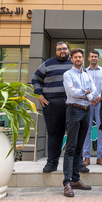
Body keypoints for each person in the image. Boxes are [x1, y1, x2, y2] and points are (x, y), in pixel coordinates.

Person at [62, 48, 98, 197]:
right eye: (75, 57)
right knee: (70, 147)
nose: (78, 59)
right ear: (72, 59)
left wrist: (85, 94)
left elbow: (95, 92)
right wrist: (86, 92)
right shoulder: (67, 74)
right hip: (73, 111)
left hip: (86, 111)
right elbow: (72, 92)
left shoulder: (87, 75)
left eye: (80, 57)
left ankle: (76, 179)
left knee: (79, 147)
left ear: (83, 59)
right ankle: (67, 183)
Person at [32, 41, 73, 174]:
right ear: (56, 51)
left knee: (74, 135)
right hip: (51, 104)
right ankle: (51, 163)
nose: (62, 51)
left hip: (71, 104)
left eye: (64, 49)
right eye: (59, 49)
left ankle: (77, 163)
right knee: (54, 134)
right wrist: (38, 94)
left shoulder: (75, 64)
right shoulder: (48, 63)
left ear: (68, 50)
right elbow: (35, 78)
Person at [83, 50, 102, 166]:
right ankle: (86, 157)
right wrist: (90, 98)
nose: (94, 58)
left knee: (101, 130)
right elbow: (82, 87)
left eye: (96, 56)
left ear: (98, 58)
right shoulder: (83, 71)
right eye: (92, 56)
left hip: (100, 104)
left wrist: (98, 97)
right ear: (88, 58)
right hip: (87, 104)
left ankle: (100, 157)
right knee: (86, 130)